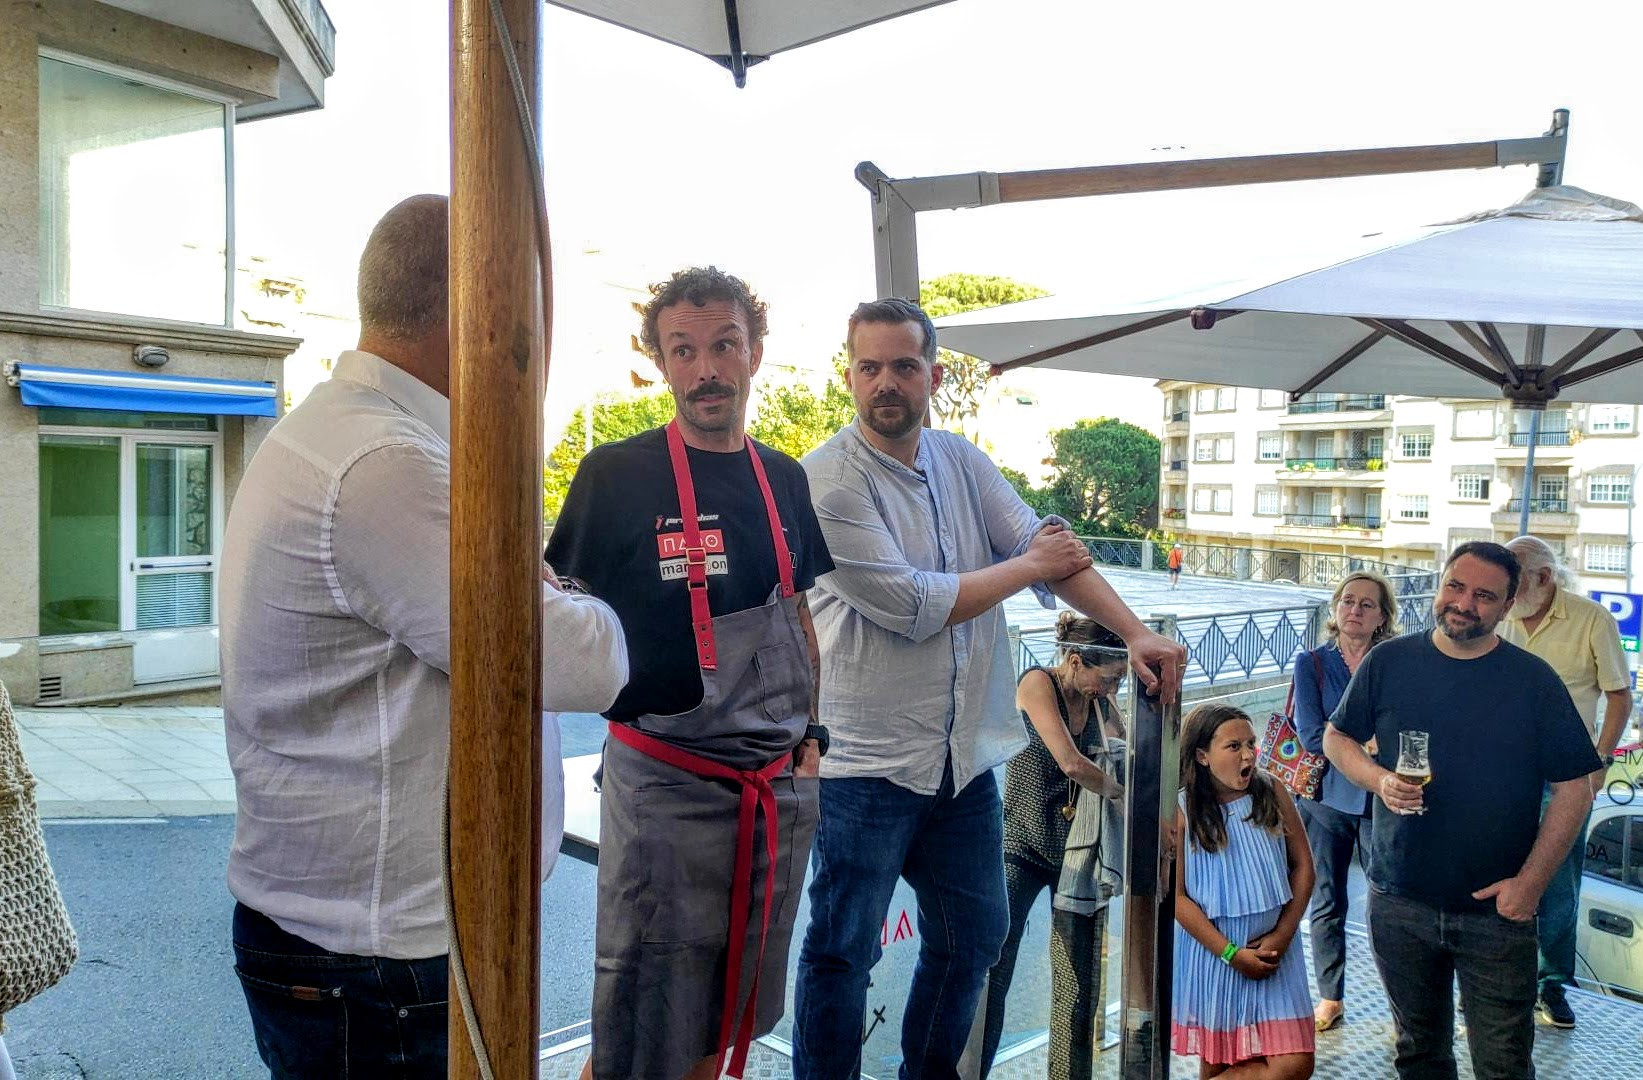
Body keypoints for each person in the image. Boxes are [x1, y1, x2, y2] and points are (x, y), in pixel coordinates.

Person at [220, 195, 628, 1079]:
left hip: (357, 948)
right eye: (527, 316)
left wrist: (540, 584)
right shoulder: (389, 465)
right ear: (479, 310)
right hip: (379, 965)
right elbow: (579, 661)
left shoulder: (348, 433)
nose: (531, 348)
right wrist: (575, 596)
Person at [792, 296, 1185, 1079]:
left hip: (960, 759)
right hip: (863, 765)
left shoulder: (960, 461)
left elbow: (1052, 553)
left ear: (933, 376)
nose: (885, 382)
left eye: (903, 366)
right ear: (849, 376)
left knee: (973, 936)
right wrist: (1029, 565)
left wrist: (1135, 632)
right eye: (868, 367)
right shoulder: (826, 479)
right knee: (842, 953)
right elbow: (914, 606)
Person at [545, 266, 833, 1080]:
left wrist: (812, 736)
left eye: (723, 345)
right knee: (640, 1024)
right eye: (683, 350)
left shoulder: (784, 478)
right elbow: (559, 607)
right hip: (664, 791)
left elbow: (797, 612)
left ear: (755, 353)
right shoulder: (615, 474)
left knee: (729, 1015)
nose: (705, 369)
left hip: (771, 790)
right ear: (659, 364)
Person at [1323, 541, 1603, 1080]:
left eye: (1483, 596)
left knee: (1503, 1065)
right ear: (1440, 584)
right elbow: (1338, 738)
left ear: (1507, 606)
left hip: (1496, 912)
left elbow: (1576, 788)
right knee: (1419, 1055)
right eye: (1455, 586)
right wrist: (1379, 780)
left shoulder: (1532, 681)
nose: (1463, 603)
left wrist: (1530, 886)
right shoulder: (1390, 661)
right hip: (1399, 900)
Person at [968, 614, 1129, 1078]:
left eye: (1119, 680)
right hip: (1020, 844)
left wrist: (1112, 705)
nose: (1111, 687)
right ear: (1074, 661)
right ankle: (971, 1071)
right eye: (1108, 678)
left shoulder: (1098, 701)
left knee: (1078, 981)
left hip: (1076, 851)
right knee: (994, 972)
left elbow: (1121, 745)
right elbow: (1071, 762)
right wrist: (1122, 795)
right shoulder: (1037, 683)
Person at [1501, 534, 1632, 1030]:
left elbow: (1619, 695)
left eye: (1515, 578)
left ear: (1544, 577)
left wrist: (1600, 761)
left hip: (1565, 776)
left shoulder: (1592, 619)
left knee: (1556, 882)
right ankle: (1494, 979)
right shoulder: (1499, 615)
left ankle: (1551, 986)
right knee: (1494, 868)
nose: (1506, 589)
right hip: (1501, 770)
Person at [1172, 703, 1316, 1080]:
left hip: (1275, 954)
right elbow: (1177, 898)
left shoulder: (1271, 790)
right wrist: (1231, 954)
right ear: (1202, 756)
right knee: (1219, 1060)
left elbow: (1304, 867)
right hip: (1216, 955)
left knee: (1295, 1063)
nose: (1249, 755)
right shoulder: (1182, 810)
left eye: (1251, 743)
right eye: (1234, 746)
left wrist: (1283, 936)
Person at [1290, 571, 1397, 1033]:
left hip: (1382, 797)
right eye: (1348, 601)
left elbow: (1403, 732)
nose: (1355, 610)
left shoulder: (1394, 662)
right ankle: (1330, 996)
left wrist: (1357, 744)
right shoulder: (1311, 663)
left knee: (1389, 902)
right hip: (1325, 799)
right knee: (1327, 899)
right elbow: (1312, 735)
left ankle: (1402, 1001)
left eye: (1367, 604)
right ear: (1335, 608)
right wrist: (1368, 745)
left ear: (1382, 617)